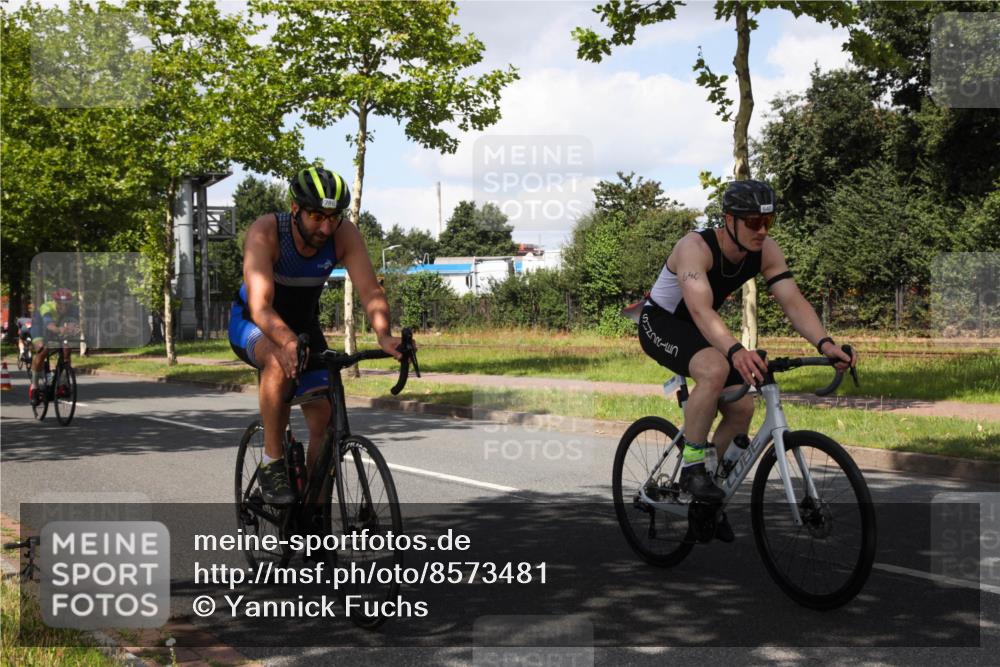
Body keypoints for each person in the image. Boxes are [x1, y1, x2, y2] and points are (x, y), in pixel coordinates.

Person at [637, 180, 857, 540]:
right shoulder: (694, 248)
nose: (762, 231)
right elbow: (699, 308)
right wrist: (736, 350)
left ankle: (706, 500)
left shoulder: (766, 250)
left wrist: (825, 343)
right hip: (662, 322)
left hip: (703, 326)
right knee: (715, 367)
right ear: (729, 220)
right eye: (753, 222)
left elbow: (792, 300)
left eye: (768, 223)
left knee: (741, 410)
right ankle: (692, 465)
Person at [228, 166, 405, 505]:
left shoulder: (344, 234)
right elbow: (262, 306)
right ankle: (272, 462)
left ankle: (314, 516)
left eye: (333, 217)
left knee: (324, 418)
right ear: (295, 209)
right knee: (277, 361)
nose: (326, 227)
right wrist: (287, 341)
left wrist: (385, 335)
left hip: (303, 327)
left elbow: (370, 291)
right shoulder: (266, 232)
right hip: (253, 321)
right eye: (316, 216)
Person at [30, 288, 80, 404]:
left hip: (59, 327)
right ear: (55, 302)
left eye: (67, 304)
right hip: (41, 326)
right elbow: (49, 325)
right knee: (42, 349)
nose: (64, 307)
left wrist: (74, 330)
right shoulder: (46, 307)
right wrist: (60, 329)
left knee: (66, 349)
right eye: (61, 304)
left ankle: (63, 381)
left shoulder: (73, 309)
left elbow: (74, 325)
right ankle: (34, 386)